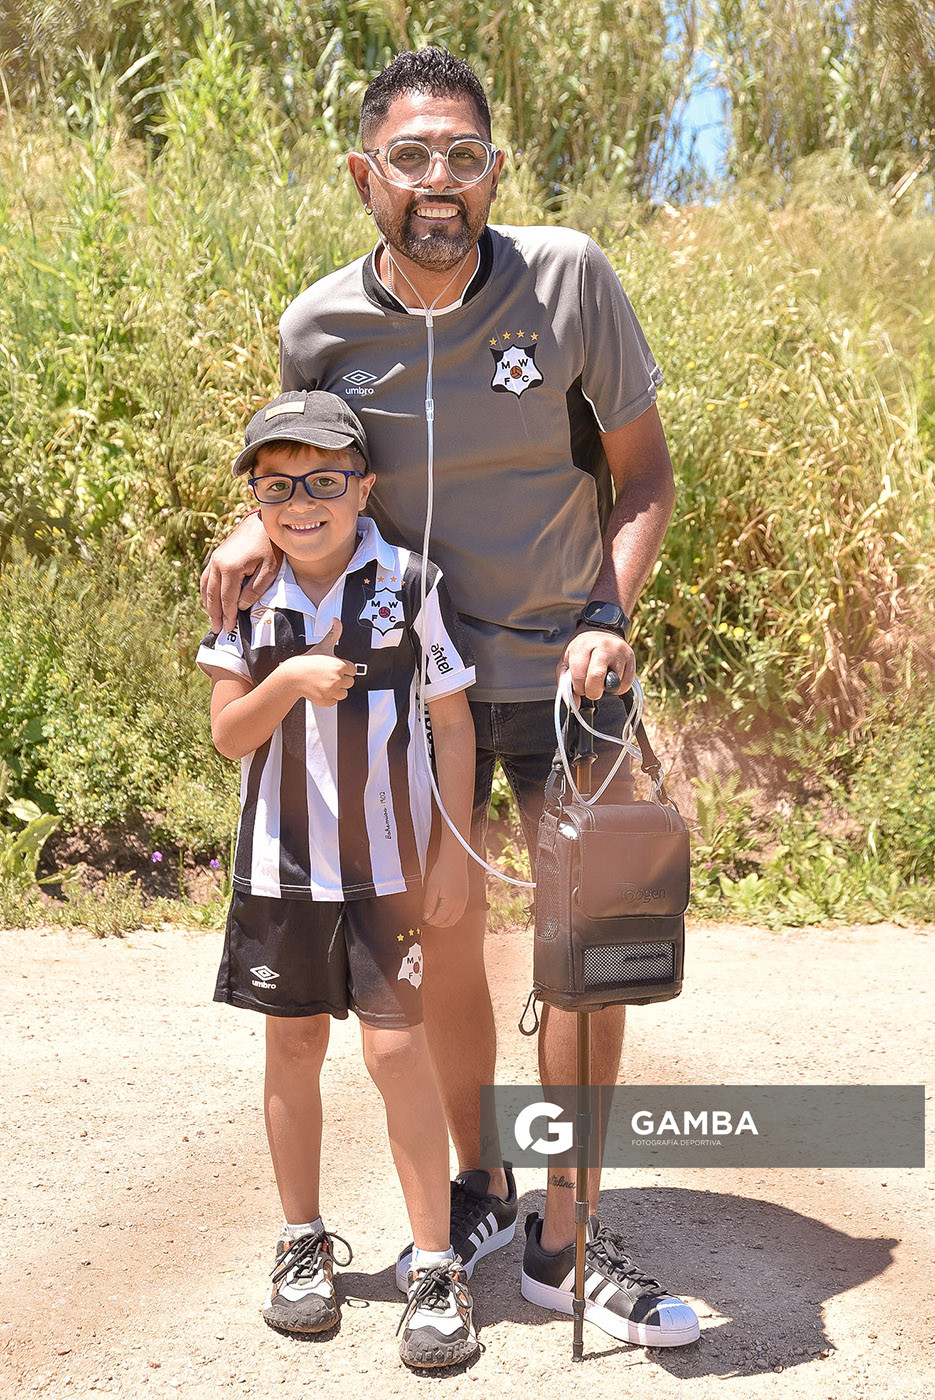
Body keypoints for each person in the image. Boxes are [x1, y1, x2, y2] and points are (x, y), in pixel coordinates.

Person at [202, 48, 700, 1348]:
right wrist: (254, 533)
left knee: (591, 963)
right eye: (410, 158)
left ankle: (563, 1238)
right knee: (451, 937)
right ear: (364, 176)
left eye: (462, 157)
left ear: (492, 172)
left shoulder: (569, 279)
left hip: (566, 673)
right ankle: (478, 1191)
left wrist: (607, 616)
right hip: (416, 689)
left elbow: (642, 477)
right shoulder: (319, 327)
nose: (439, 181)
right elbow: (309, 477)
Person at [197, 388, 480, 1369]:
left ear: (363, 487)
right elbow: (231, 732)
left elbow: (451, 719)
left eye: (324, 480)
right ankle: (300, 1240)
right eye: (278, 485)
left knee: (398, 1054)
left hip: (389, 870)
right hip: (277, 871)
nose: (302, 501)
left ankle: (436, 1264)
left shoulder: (407, 579)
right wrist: (284, 681)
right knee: (292, 1049)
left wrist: (449, 849)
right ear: (255, 497)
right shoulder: (245, 593)